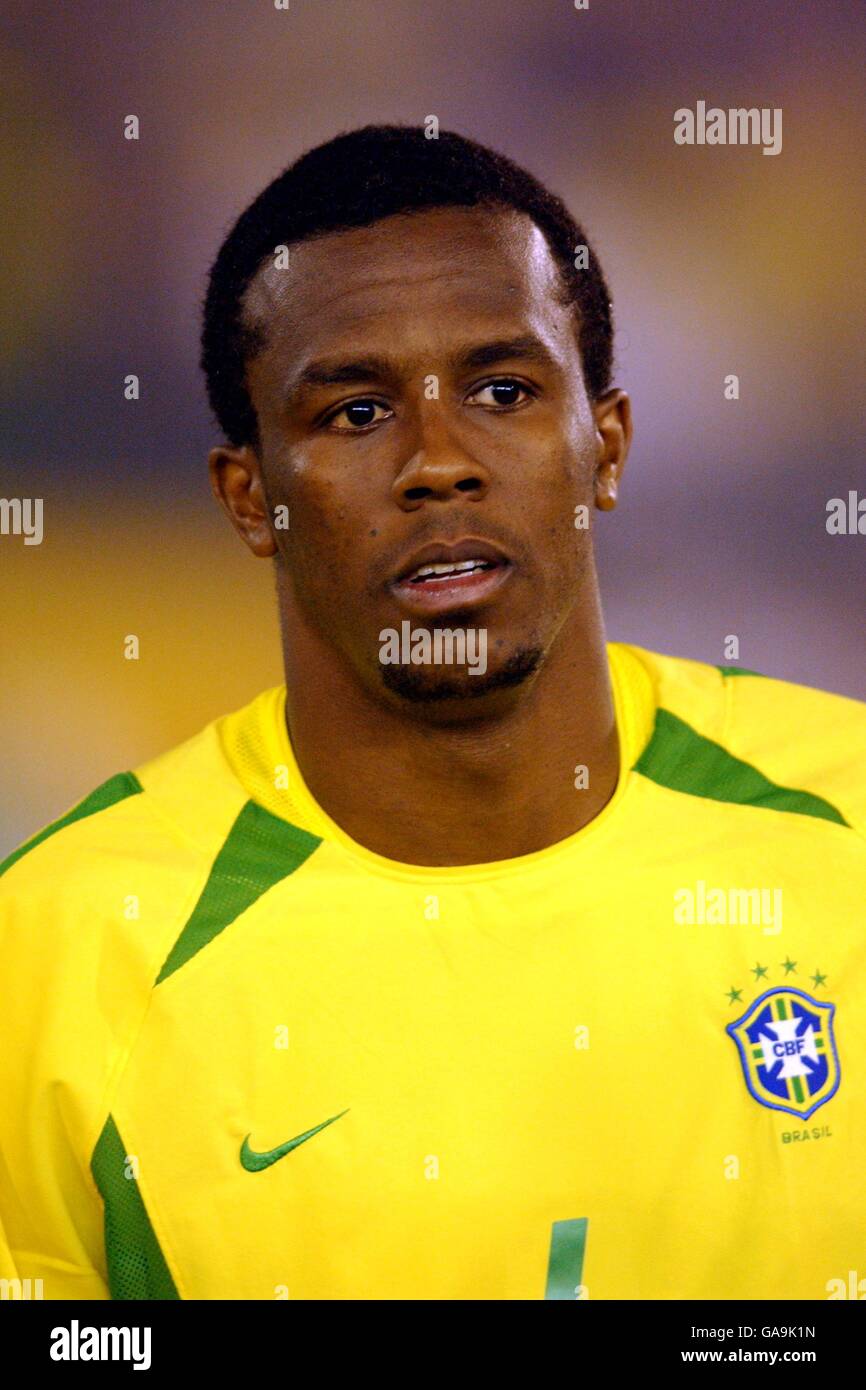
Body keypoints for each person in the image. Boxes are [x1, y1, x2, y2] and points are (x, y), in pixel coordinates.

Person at [1, 125, 864, 1301]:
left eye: (502, 390)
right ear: (249, 498)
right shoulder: (57, 952)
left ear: (603, 446)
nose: (438, 460)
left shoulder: (842, 827)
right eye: (355, 413)